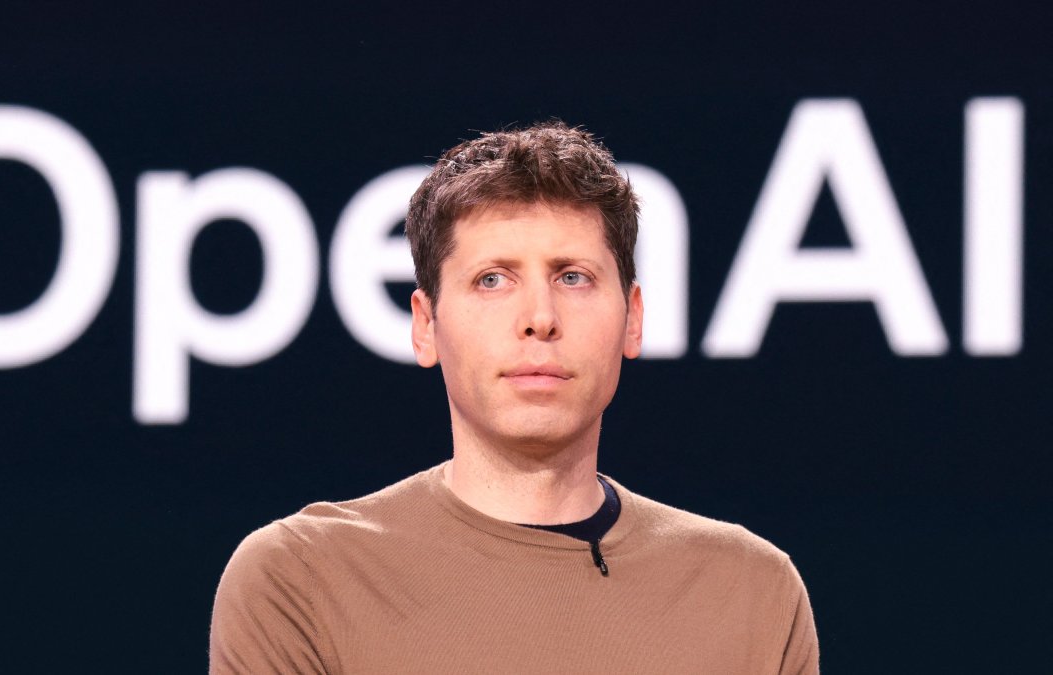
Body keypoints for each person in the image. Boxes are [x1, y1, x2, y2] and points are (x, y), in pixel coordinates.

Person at [210, 121, 820, 674]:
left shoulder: (750, 593)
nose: (539, 317)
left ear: (633, 318)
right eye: (492, 279)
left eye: (572, 277)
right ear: (426, 324)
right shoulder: (304, 580)